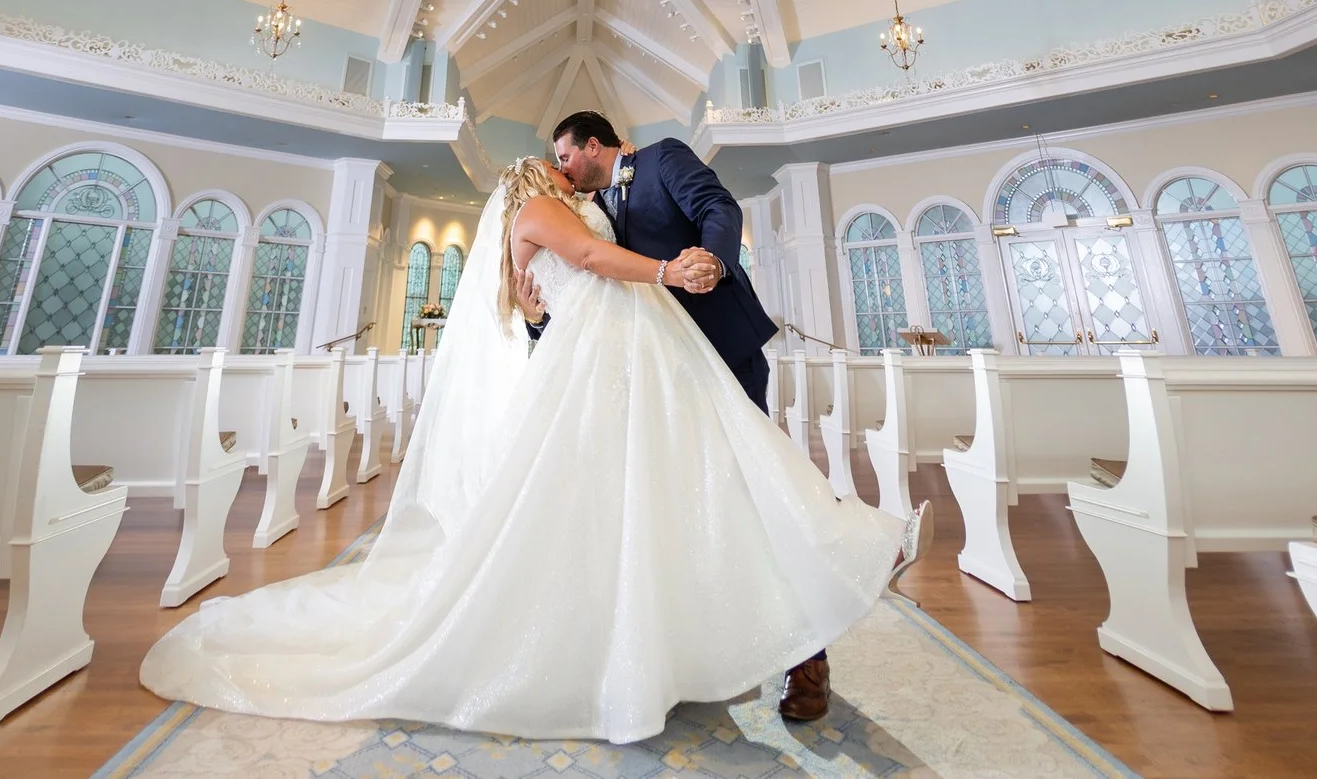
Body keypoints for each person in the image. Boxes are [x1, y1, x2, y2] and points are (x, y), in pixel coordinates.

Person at [138, 156, 909, 743]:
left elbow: (541, 297)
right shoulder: (541, 209)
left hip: (638, 346)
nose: (562, 168)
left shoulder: (538, 225)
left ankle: (720, 628)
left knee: (685, 481)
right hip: (617, 351)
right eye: (551, 163)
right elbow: (595, 261)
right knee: (680, 480)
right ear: (528, 181)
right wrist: (669, 267)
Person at [536, 111, 844, 720]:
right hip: (662, 374)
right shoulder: (589, 211)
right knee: (688, 511)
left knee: (759, 495)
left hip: (722, 350)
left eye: (566, 157)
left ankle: (809, 659)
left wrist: (713, 261)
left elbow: (718, 206)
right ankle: (702, 651)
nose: (564, 169)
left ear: (592, 145)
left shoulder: (661, 158)